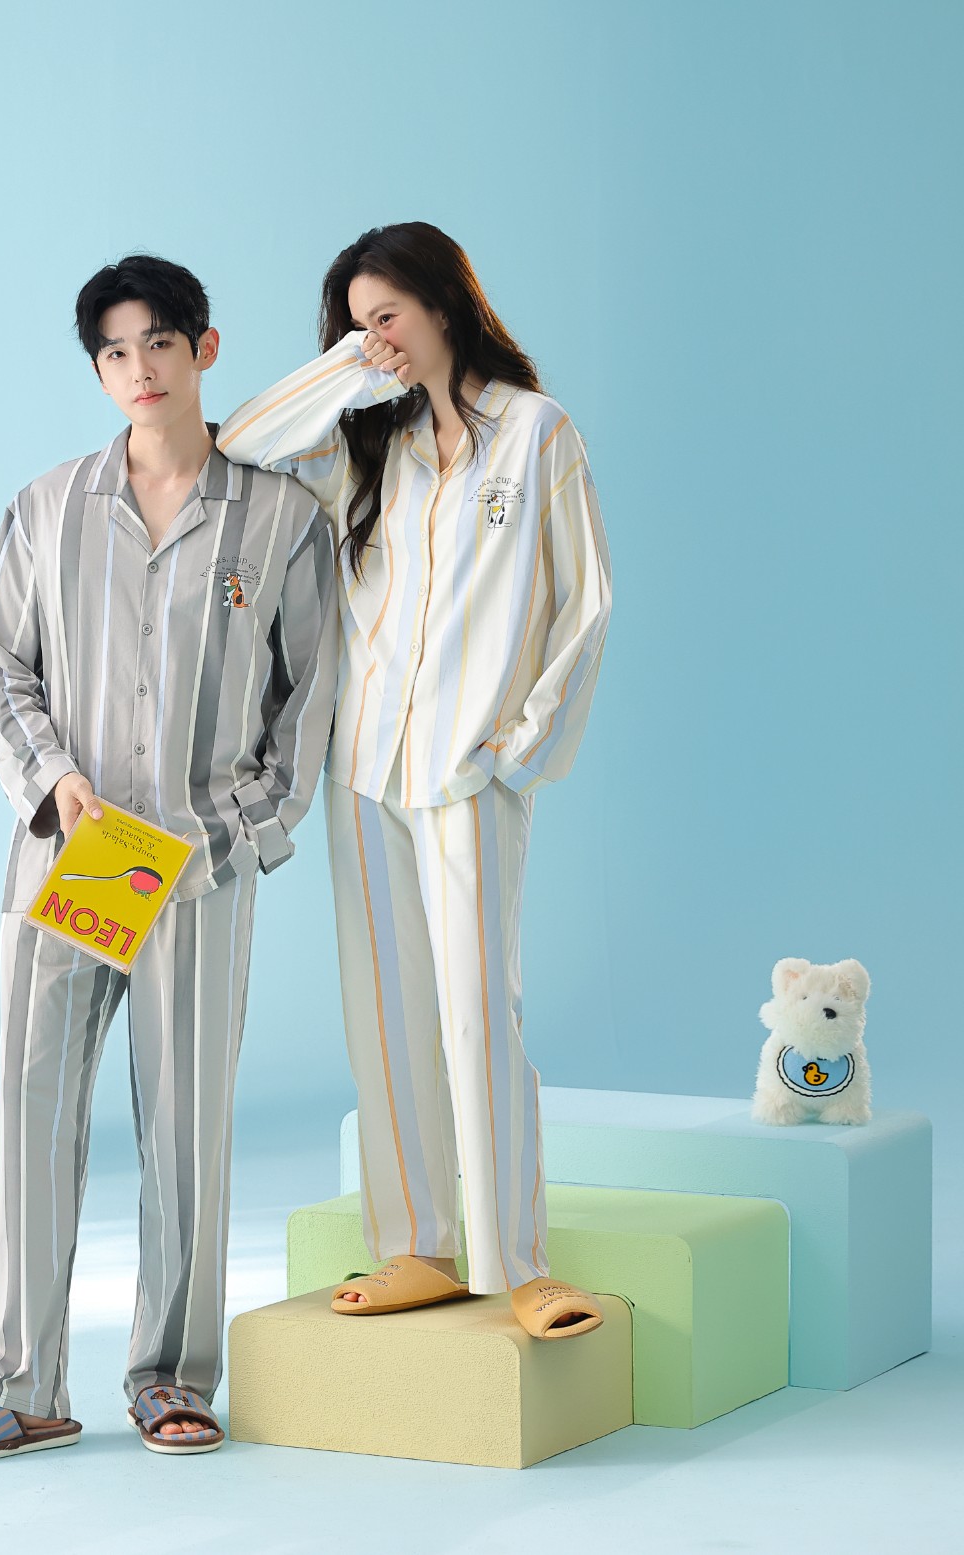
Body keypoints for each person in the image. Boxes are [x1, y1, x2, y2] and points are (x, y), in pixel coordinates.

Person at [0, 255, 336, 1465]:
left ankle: (171, 1378)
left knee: (185, 1129)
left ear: (203, 349)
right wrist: (52, 779)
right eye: (112, 351)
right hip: (79, 853)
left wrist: (235, 832)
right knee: (34, 1113)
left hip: (195, 859)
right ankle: (22, 1384)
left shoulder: (280, 519)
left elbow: (309, 702)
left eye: (157, 342)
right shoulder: (48, 508)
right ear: (96, 370)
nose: (137, 368)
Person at [216, 221, 613, 1338]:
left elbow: (583, 606)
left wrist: (517, 749)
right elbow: (240, 443)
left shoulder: (535, 432)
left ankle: (517, 1262)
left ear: (444, 304)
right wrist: (352, 369)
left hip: (469, 769)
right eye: (355, 323)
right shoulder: (367, 443)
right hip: (365, 764)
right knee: (383, 1015)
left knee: (477, 1011)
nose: (374, 338)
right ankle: (416, 1245)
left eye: (386, 316)